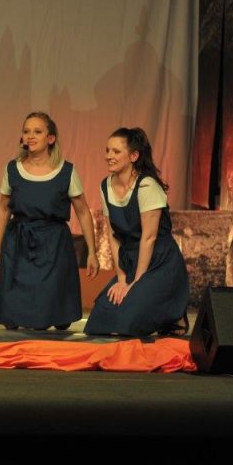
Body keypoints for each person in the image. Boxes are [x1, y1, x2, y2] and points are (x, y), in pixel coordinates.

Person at [0, 112, 98, 331]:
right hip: (19, 240)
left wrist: (92, 252)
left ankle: (53, 314)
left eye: (37, 131)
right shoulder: (13, 169)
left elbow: (83, 211)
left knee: (51, 310)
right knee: (13, 314)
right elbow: (3, 208)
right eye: (26, 131)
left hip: (53, 244)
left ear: (50, 138)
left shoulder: (66, 171)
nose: (30, 136)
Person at [84, 127, 189, 336]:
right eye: (107, 150)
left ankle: (172, 315)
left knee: (128, 320)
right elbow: (113, 236)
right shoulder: (106, 186)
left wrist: (136, 283)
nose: (109, 156)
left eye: (116, 151)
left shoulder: (146, 185)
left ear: (133, 156)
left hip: (159, 261)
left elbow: (149, 238)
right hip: (131, 261)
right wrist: (122, 279)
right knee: (99, 320)